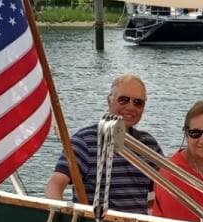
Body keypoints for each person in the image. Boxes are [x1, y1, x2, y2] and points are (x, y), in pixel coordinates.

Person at [44, 74, 160, 213]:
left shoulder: (149, 145)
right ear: (109, 100)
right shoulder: (84, 141)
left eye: (138, 102)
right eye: (123, 100)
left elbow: (165, 188)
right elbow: (55, 185)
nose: (131, 107)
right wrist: (61, 214)